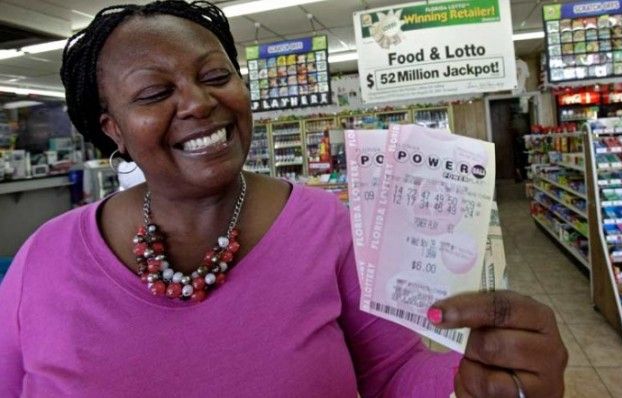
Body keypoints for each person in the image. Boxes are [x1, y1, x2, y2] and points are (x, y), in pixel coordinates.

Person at [0, 1, 567, 397]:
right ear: (113, 129)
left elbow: (392, 375)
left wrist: (470, 384)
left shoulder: (331, 229)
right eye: (155, 92)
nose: (199, 102)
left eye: (216, 75)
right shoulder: (44, 261)